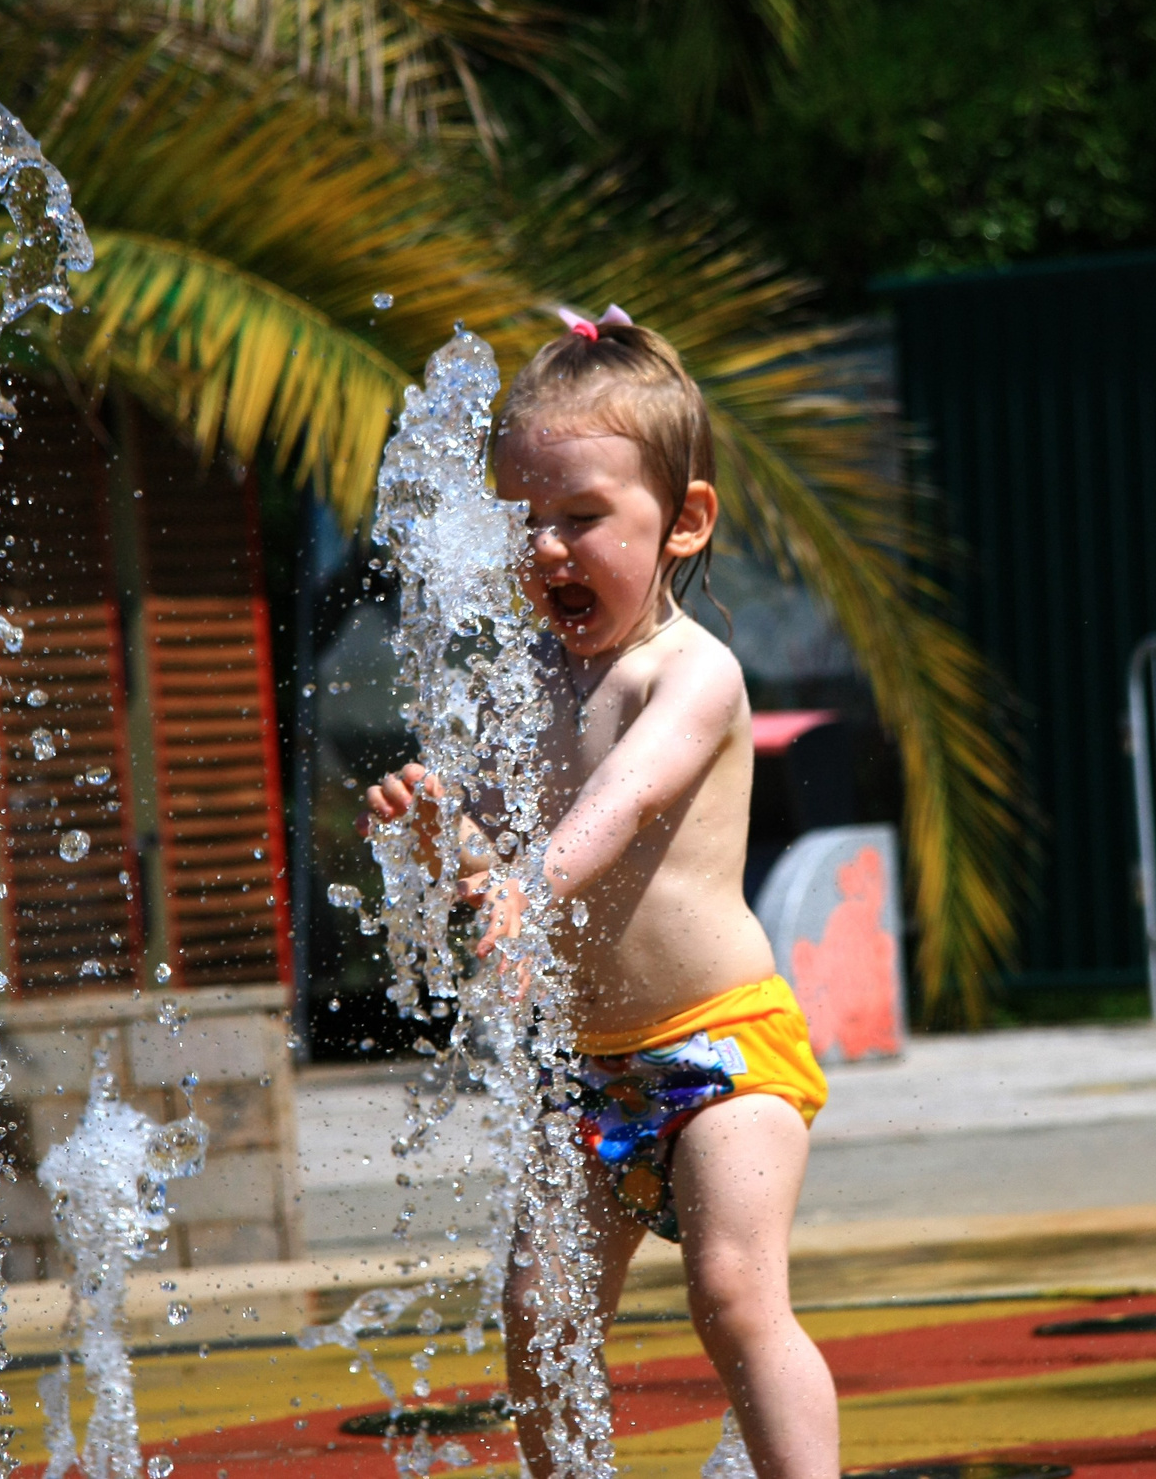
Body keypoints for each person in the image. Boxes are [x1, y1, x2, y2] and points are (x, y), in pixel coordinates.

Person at [360, 308, 838, 1479]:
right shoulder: (523, 682)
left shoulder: (689, 673)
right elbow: (490, 869)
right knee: (539, 1316)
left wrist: (523, 875)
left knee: (732, 1295)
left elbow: (616, 806)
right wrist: (443, 847)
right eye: (524, 523)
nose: (547, 552)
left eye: (581, 519)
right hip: (586, 1071)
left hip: (722, 1052)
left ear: (683, 523)